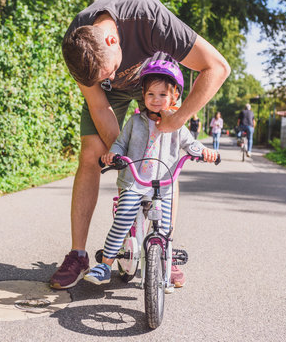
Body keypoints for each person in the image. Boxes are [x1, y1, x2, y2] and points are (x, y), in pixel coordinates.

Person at [50, 0, 230, 290]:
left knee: (166, 157)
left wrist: (177, 119)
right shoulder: (77, 44)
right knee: (91, 153)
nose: (111, 77)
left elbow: (218, 67)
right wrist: (126, 156)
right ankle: (78, 254)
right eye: (104, 77)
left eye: (108, 72)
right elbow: (98, 105)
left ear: (112, 40)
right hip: (113, 101)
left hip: (156, 82)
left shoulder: (147, 18)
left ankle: (165, 248)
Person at [84, 59, 218, 286]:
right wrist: (112, 155)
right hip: (135, 183)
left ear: (174, 96)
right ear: (143, 96)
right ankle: (105, 265)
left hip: (163, 187)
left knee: (165, 230)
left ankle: (164, 268)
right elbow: (120, 144)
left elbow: (191, 144)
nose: (156, 100)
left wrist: (204, 151)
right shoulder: (135, 121)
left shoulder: (177, 125)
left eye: (163, 95)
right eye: (151, 95)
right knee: (122, 219)